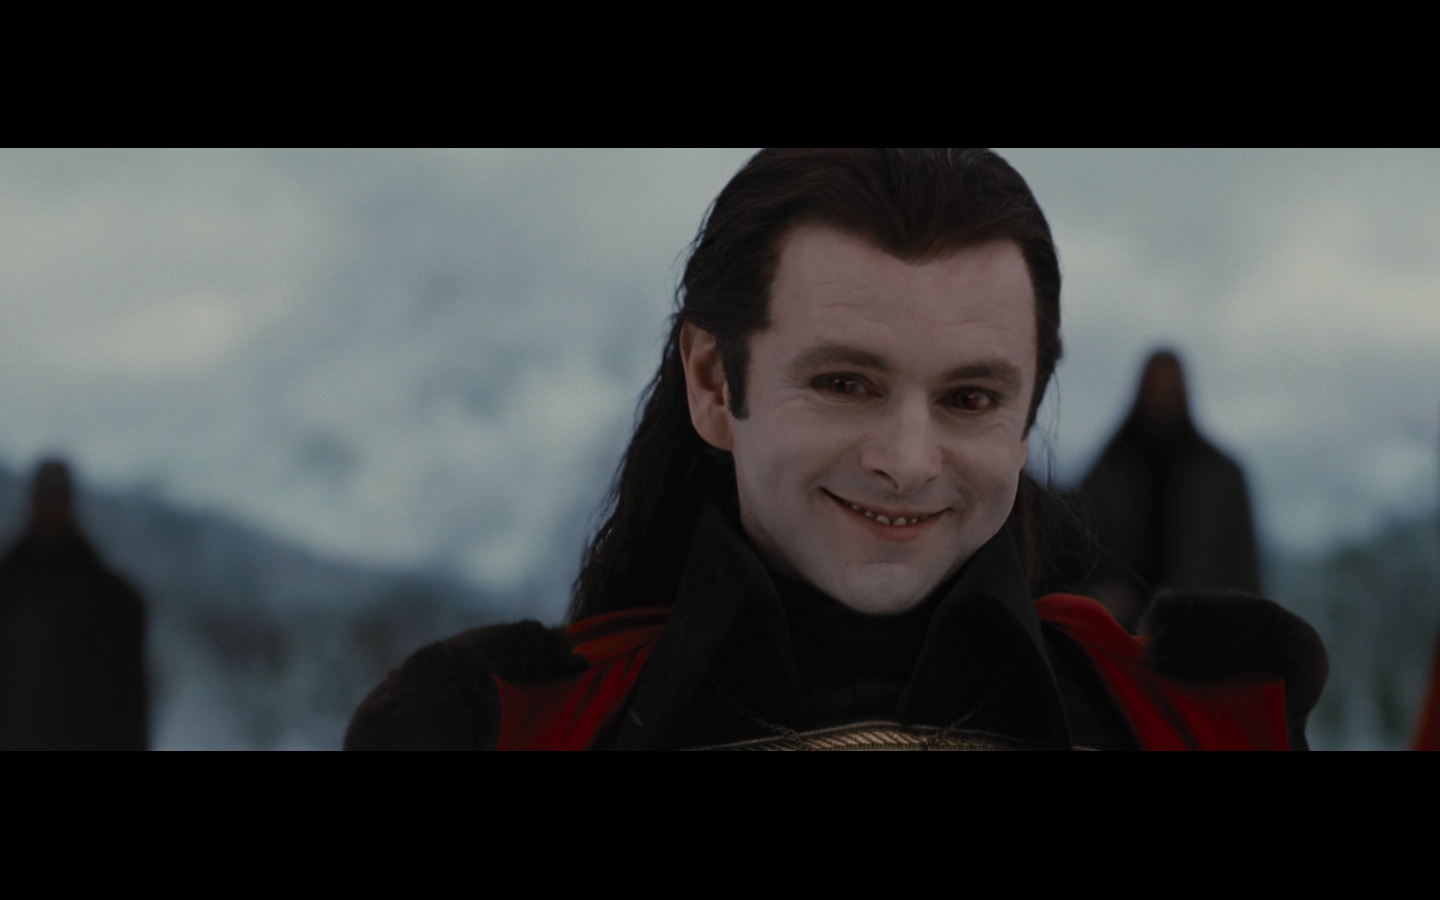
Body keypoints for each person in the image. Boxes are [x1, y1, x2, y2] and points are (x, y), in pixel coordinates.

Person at [346, 149, 1327, 751]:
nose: (908, 460)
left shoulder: (1206, 725)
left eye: (970, 398)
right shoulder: (499, 730)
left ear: (1027, 415)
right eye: (845, 383)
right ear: (713, 383)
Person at [1075, 350, 1263, 630]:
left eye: (1170, 387)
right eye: (1156, 387)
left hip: (1200, 635)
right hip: (1118, 633)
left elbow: (1242, 568)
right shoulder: (1109, 470)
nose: (1162, 397)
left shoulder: (1220, 477)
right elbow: (1076, 551)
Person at [0, 459, 149, 750]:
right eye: (46, 497)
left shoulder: (115, 603)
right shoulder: (8, 591)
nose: (51, 509)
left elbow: (129, 705)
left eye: (56, 497)